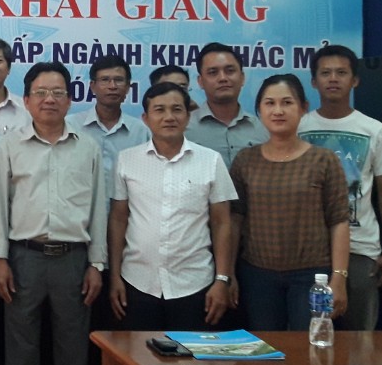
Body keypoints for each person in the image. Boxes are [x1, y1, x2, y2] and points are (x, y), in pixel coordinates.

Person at [0, 61, 106, 365]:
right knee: (20, 351)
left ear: (70, 99)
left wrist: (97, 264)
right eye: (40, 92)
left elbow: (98, 208)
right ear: (26, 100)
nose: (49, 99)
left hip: (74, 259)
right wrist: (0, 259)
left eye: (57, 92)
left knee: (72, 352)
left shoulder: (88, 147)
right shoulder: (9, 146)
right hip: (24, 258)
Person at [107, 81, 236, 331]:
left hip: (195, 283)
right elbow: (118, 219)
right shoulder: (127, 160)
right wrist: (114, 278)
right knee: (138, 354)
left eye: (177, 109)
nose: (169, 117)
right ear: (145, 118)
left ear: (188, 116)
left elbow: (222, 222)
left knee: (190, 355)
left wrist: (222, 279)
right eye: (159, 110)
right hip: (137, 281)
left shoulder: (210, 160)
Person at [230, 74, 352, 331]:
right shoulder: (245, 160)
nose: (278, 111)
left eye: (287, 102)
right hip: (257, 275)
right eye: (269, 103)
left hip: (312, 276)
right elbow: (235, 220)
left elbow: (339, 221)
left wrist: (339, 277)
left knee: (310, 345)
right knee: (264, 348)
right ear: (259, 110)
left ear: (303, 108)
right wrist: (228, 272)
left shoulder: (324, 159)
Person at [298, 44, 382, 331]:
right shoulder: (299, 127)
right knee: (311, 336)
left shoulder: (374, 129)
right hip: (309, 249)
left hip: (360, 248)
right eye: (325, 73)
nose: (333, 79)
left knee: (360, 340)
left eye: (341, 73)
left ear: (355, 80)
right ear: (313, 81)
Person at [72, 54, 151, 199]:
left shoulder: (141, 131)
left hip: (127, 210)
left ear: (128, 87)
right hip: (81, 210)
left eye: (119, 80)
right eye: (105, 80)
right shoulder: (71, 126)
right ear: (92, 86)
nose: (112, 86)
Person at [185, 42, 265, 167]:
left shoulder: (263, 129)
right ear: (200, 82)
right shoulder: (184, 128)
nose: (222, 78)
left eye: (230, 71)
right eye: (213, 72)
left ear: (242, 78)